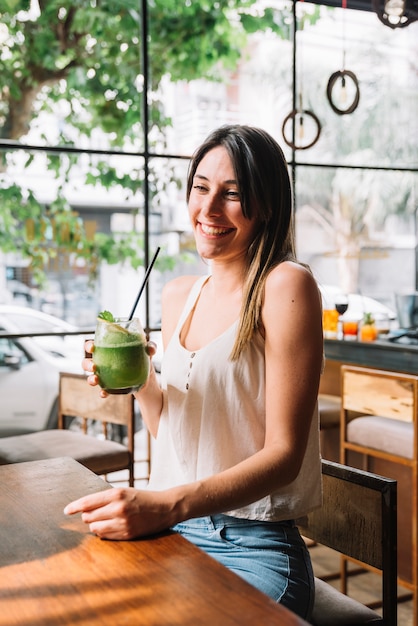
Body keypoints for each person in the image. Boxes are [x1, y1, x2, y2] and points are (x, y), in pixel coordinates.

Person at [64, 124, 324, 621]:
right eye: (201, 188)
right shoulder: (179, 294)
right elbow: (177, 436)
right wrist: (142, 381)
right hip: (176, 531)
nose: (208, 209)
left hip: (255, 548)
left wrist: (165, 504)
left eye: (233, 194)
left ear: (266, 204)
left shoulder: (287, 286)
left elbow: (285, 456)